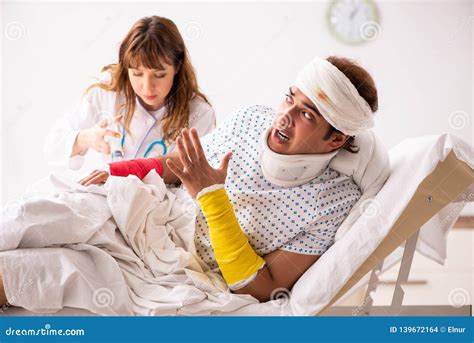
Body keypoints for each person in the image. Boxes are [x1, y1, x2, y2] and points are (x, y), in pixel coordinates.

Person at [0, 55, 378, 307]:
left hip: (187, 272)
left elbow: (266, 286)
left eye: (307, 115)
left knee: (54, 268)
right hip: (156, 212)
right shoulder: (252, 118)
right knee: (44, 213)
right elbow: (180, 164)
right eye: (289, 100)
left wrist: (214, 200)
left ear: (337, 138)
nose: (284, 117)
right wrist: (118, 169)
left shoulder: (334, 202)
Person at [44, 16, 215, 172]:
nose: (148, 88)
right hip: (107, 195)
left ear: (177, 67)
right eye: (137, 74)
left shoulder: (199, 113)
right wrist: (85, 138)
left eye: (159, 75)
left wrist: (128, 171)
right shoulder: (108, 90)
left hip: (162, 203)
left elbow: (192, 173)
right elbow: (53, 145)